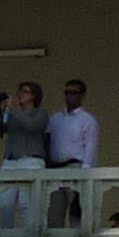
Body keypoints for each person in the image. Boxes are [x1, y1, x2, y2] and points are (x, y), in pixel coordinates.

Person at [0, 78, 47, 231]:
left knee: (27, 203)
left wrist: (14, 110)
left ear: (34, 96)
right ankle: (5, 235)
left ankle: (30, 235)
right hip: (11, 161)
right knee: (3, 202)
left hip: (31, 160)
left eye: (25, 92)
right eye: (19, 91)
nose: (20, 94)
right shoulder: (12, 113)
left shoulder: (40, 114)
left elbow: (32, 126)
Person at [43, 78, 98, 227]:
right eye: (66, 93)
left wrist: (85, 172)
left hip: (75, 168)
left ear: (82, 95)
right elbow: (47, 141)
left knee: (77, 213)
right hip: (55, 169)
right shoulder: (55, 118)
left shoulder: (87, 120)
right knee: (54, 214)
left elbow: (90, 147)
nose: (69, 96)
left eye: (73, 93)